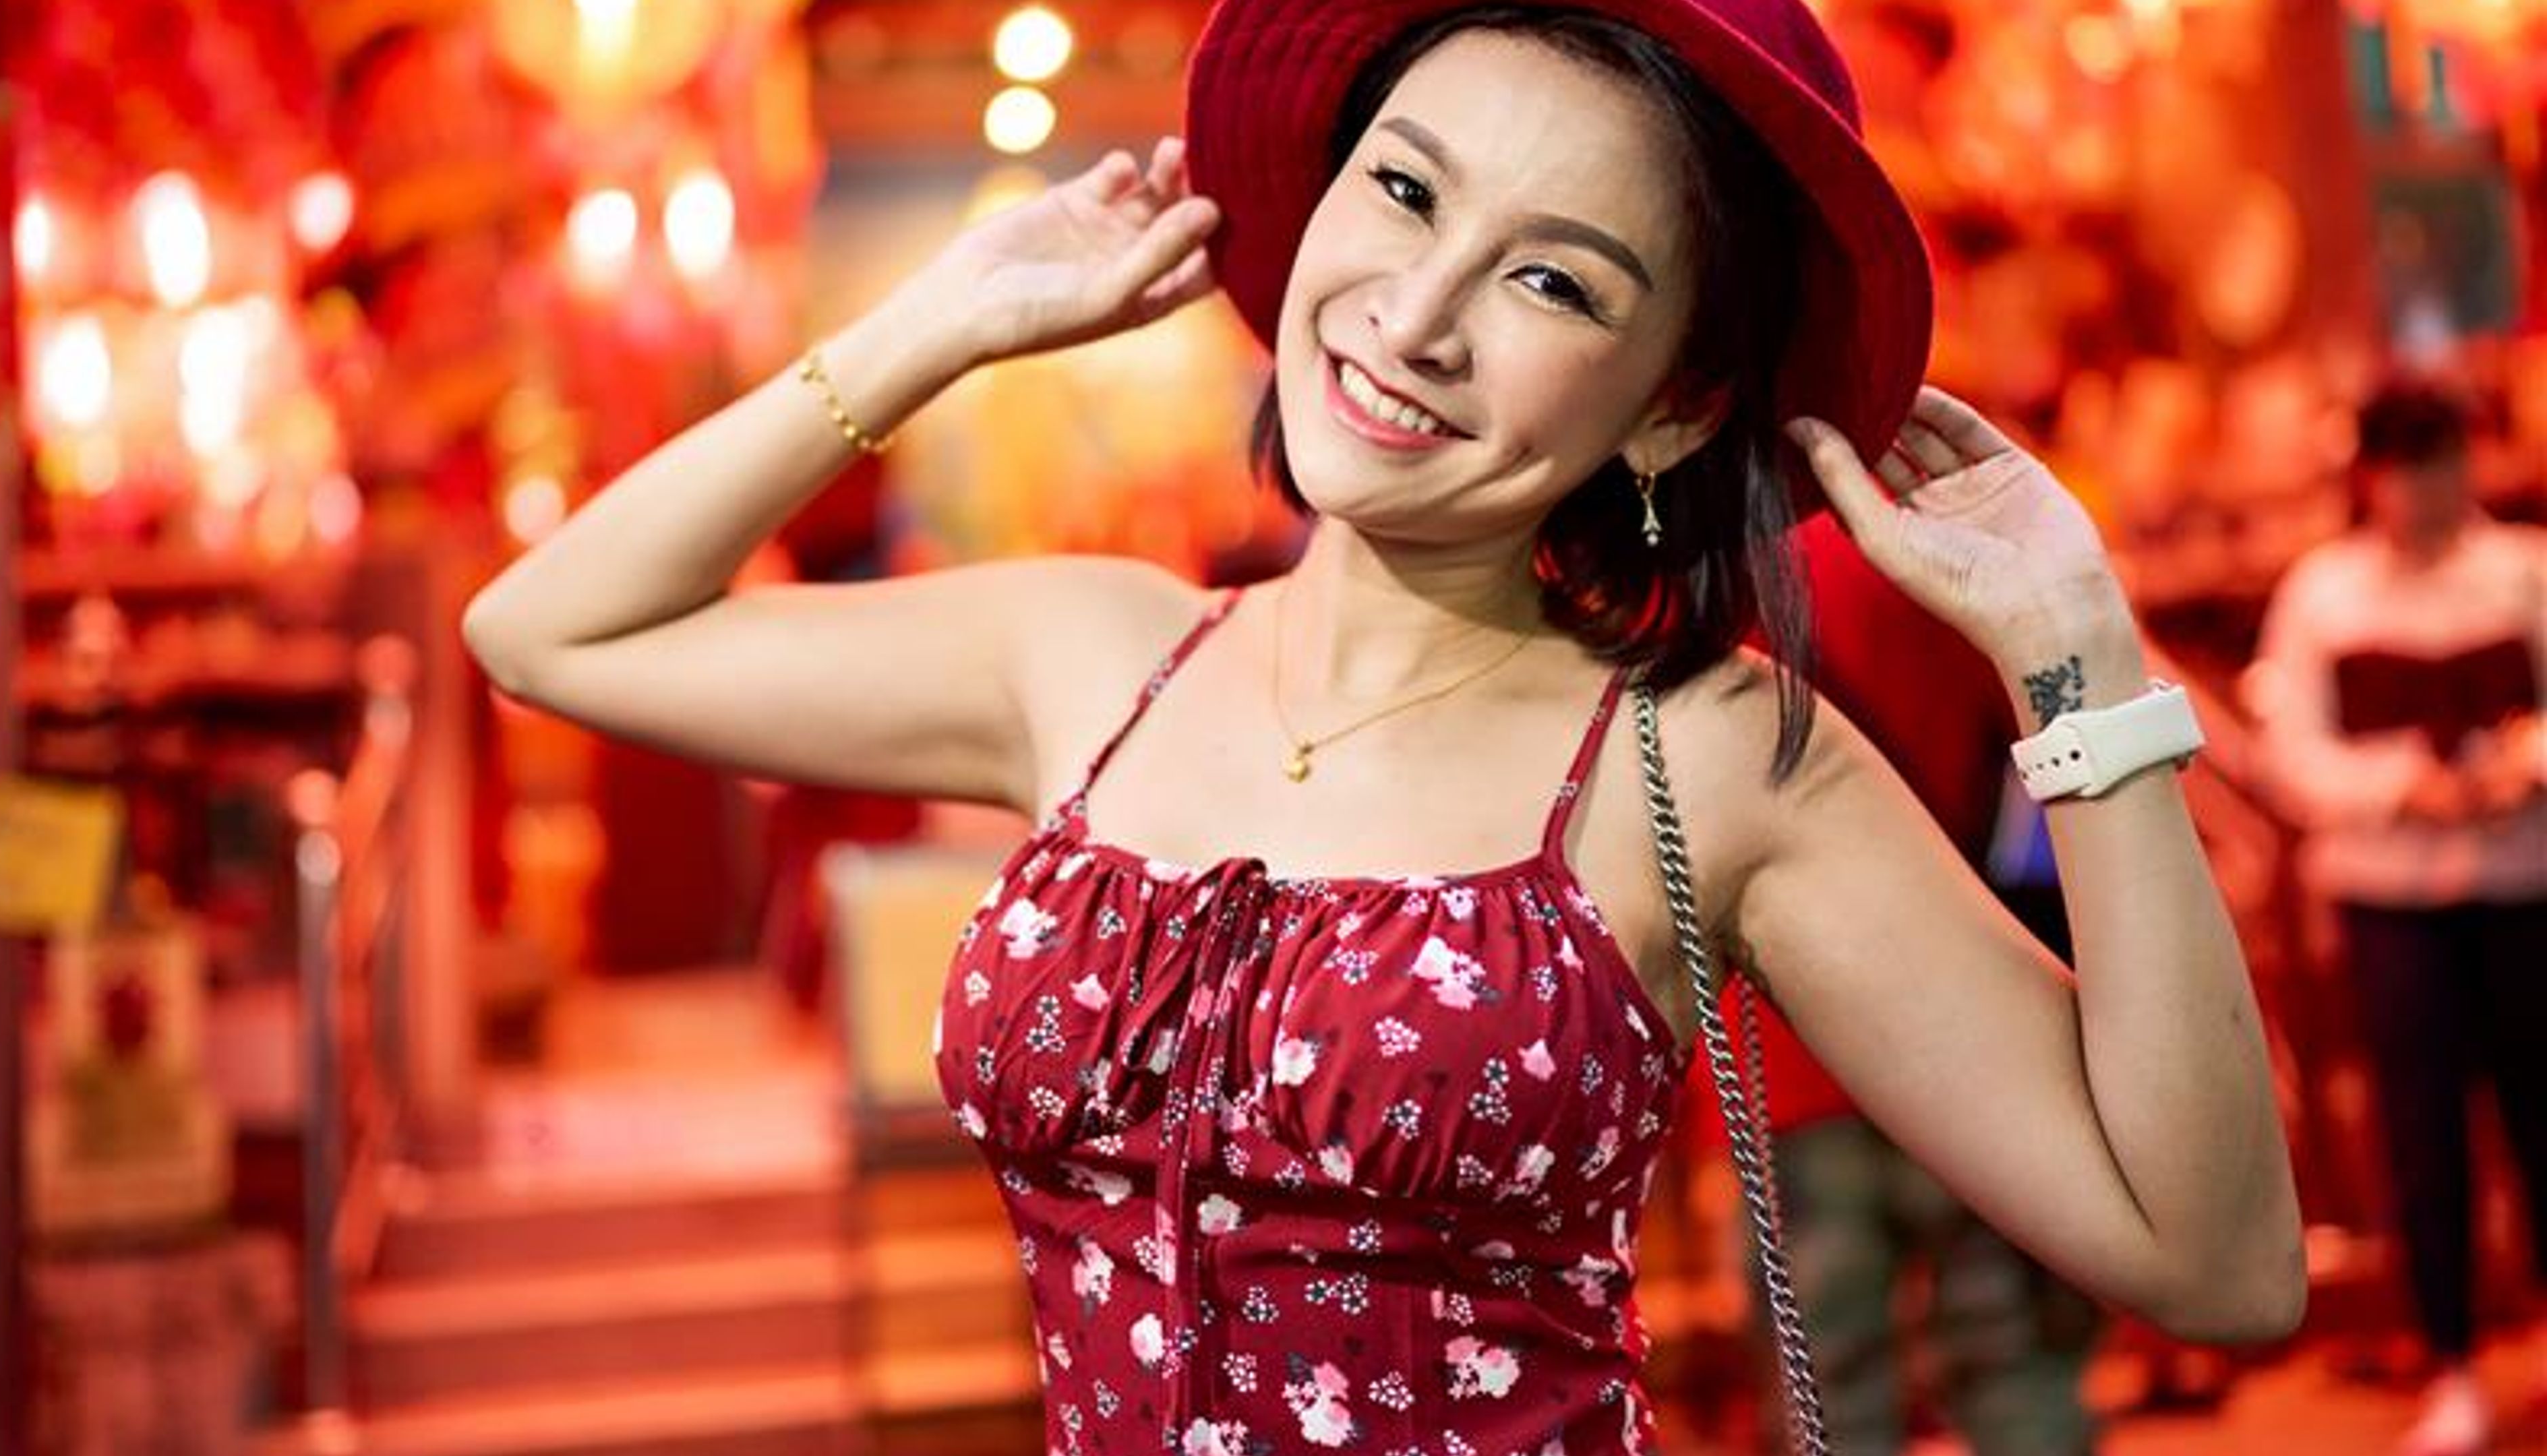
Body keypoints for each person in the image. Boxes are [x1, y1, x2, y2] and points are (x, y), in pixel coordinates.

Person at [462, 1, 2304, 1449]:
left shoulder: (1705, 754)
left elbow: (2213, 1261)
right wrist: (936, 327)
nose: (1416, 317)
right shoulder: (1099, 661)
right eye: (1406, 191)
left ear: (1670, 409)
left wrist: (2077, 659)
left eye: (1552, 279)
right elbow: (550, 628)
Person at [1709, 516, 2099, 1456]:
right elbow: (2045, 766)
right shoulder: (1949, 548)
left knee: (1833, 1388)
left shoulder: (1703, 579)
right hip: (1968, 1028)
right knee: (2009, 1354)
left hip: (1792, 1051)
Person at [2250, 380, 2547, 1456]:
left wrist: (2521, 767)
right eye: (2403, 467)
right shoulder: (2323, 595)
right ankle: (2454, 1363)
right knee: (2421, 1141)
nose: (2424, 489)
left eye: (2442, 462)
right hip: (2392, 905)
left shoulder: (2522, 572)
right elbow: (2292, 752)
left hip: (2522, 887)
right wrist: (2398, 793)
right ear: (2368, 477)